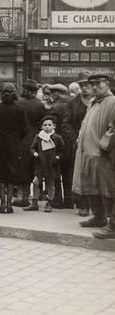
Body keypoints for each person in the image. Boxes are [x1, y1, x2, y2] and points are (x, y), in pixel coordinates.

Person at [72, 74, 115, 233]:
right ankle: (99, 217)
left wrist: (103, 148)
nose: (95, 87)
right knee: (91, 187)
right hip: (87, 154)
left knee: (107, 189)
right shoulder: (93, 102)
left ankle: (112, 224)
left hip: (101, 156)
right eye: (93, 84)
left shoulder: (112, 102)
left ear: (107, 84)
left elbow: (112, 130)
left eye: (98, 84)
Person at [0, 83, 28, 214]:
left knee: (1, 177)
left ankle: (2, 204)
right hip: (14, 145)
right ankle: (9, 205)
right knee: (11, 176)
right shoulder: (20, 109)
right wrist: (17, 139)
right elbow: (25, 129)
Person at [61, 77, 94, 216]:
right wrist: (75, 139)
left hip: (96, 144)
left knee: (95, 175)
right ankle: (83, 205)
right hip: (78, 145)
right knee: (80, 175)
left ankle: (97, 207)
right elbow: (65, 124)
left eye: (87, 85)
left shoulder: (98, 101)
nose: (85, 88)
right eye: (82, 85)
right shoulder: (72, 103)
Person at [14, 80, 45, 207]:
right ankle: (29, 196)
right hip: (34, 138)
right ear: (34, 91)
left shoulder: (18, 103)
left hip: (20, 139)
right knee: (31, 168)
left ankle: (21, 197)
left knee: (20, 167)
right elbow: (41, 123)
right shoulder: (39, 105)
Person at [24, 116, 64, 213]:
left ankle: (49, 203)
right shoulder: (38, 137)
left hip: (52, 164)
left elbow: (62, 150)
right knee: (35, 182)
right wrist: (35, 153)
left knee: (50, 185)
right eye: (45, 125)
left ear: (54, 126)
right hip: (41, 164)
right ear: (42, 127)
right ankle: (34, 203)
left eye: (49, 125)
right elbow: (32, 147)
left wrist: (58, 157)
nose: (47, 127)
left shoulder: (57, 138)